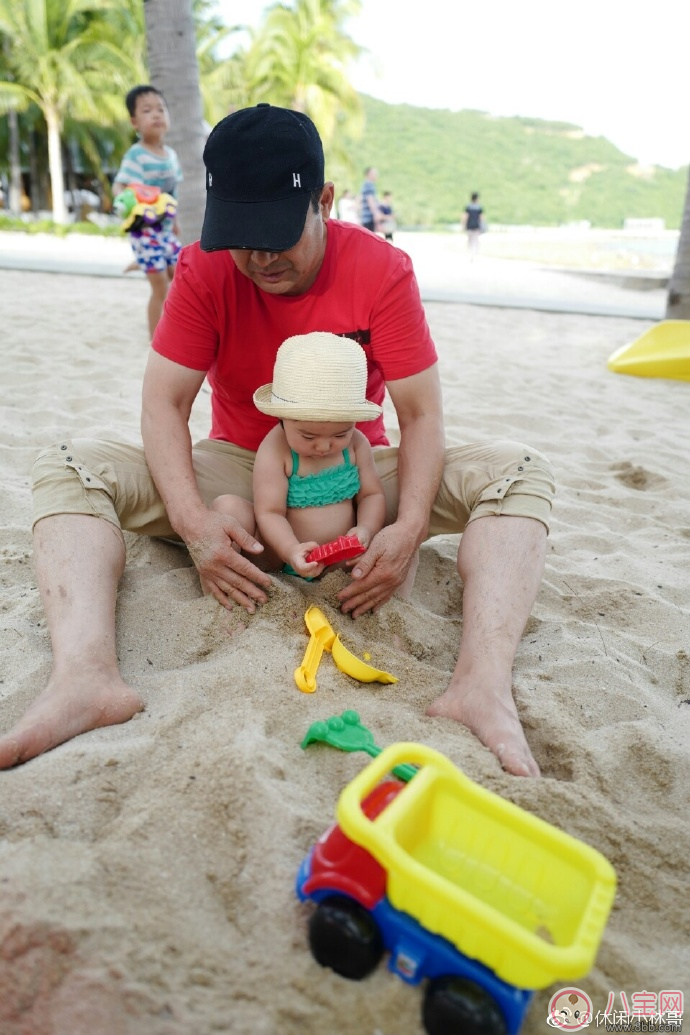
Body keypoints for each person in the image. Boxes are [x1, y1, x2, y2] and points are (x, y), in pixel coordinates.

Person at [0, 103, 554, 778]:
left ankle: (481, 684)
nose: (260, 256)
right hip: (239, 465)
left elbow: (422, 416)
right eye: (243, 235)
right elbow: (163, 403)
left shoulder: (382, 270)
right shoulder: (205, 269)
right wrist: (195, 525)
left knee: (521, 470)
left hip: (358, 468)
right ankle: (84, 678)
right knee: (69, 463)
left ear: (324, 200)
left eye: (276, 234)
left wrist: (407, 526)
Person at [210, 332, 401, 584]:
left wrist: (366, 528)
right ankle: (230, 585)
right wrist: (290, 550)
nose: (323, 446)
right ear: (282, 418)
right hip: (281, 559)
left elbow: (371, 495)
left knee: (402, 534)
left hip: (343, 563)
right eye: (308, 436)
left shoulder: (357, 444)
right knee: (228, 506)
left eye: (341, 433)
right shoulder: (276, 448)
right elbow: (270, 512)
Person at [113, 84, 183, 338]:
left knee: (180, 274)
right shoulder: (137, 155)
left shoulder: (171, 156)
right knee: (159, 285)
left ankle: (142, 262)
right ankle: (157, 339)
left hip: (165, 231)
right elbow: (120, 185)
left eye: (160, 109)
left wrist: (174, 222)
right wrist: (125, 201)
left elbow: (171, 194)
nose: (156, 115)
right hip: (144, 232)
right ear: (134, 122)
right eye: (147, 111)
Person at [359, 166, 381, 232]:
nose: (376, 175)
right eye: (374, 173)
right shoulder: (369, 184)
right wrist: (376, 214)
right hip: (369, 218)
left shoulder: (366, 184)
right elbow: (370, 200)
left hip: (366, 218)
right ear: (369, 174)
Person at [463, 192, 484, 261]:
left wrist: (464, 225)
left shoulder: (468, 207)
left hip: (469, 226)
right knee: (476, 240)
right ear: (477, 199)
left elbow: (465, 217)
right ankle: (474, 254)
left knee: (470, 240)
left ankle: (470, 253)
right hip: (476, 226)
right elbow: (481, 218)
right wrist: (482, 226)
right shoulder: (479, 207)